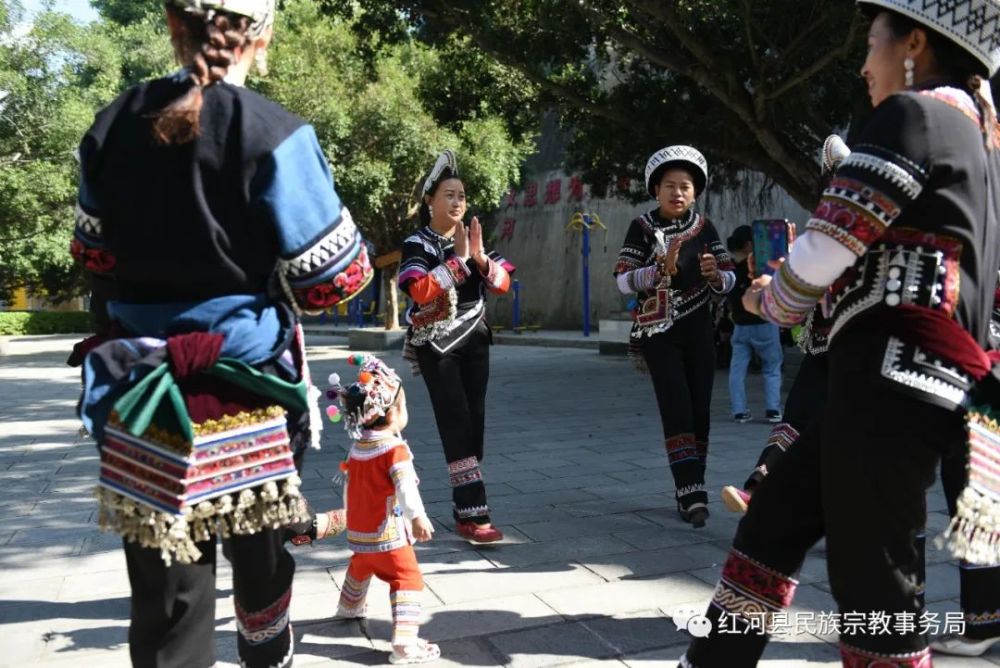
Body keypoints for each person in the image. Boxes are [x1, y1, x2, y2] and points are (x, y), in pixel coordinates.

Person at [682, 1, 1000, 665]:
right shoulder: (976, 140)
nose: (862, 65)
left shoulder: (917, 115)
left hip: (892, 381)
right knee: (774, 521)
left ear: (915, 43)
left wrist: (780, 297)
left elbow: (831, 240)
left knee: (877, 589)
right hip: (905, 385)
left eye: (872, 43)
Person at [71, 1, 371, 666]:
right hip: (248, 394)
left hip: (144, 394)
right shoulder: (274, 132)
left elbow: (93, 256)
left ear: (175, 28)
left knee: (167, 597)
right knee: (262, 571)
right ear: (261, 36)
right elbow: (336, 279)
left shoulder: (114, 124)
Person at [614, 146, 736, 528]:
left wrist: (716, 274)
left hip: (700, 333)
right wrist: (658, 269)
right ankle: (692, 495)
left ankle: (692, 486)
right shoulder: (643, 226)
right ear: (656, 190)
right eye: (670, 185)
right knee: (677, 410)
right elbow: (621, 278)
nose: (677, 193)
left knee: (700, 412)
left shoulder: (706, 227)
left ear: (695, 192)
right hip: (659, 334)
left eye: (685, 186)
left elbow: (730, 279)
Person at [398, 151, 515, 544]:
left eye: (461, 195)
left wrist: (479, 258)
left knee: (474, 422)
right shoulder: (418, 243)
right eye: (449, 194)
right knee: (455, 421)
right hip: (437, 345)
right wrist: (458, 263)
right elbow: (418, 288)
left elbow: (502, 284)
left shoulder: (473, 239)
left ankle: (464, 492)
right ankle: (472, 512)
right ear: (430, 200)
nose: (457, 202)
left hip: (476, 338)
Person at [328, 354, 440, 665]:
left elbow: (350, 488)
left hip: (360, 532)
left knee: (361, 566)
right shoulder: (395, 449)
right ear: (392, 413)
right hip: (388, 534)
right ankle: (404, 643)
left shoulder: (357, 447)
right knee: (407, 579)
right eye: (403, 407)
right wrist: (418, 516)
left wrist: (350, 520)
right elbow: (406, 487)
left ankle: (349, 606)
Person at [725, 225, 783, 424]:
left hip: (740, 326)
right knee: (772, 368)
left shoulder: (729, 269)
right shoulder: (759, 268)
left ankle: (739, 411)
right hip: (764, 323)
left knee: (737, 370)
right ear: (750, 244)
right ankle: (773, 410)